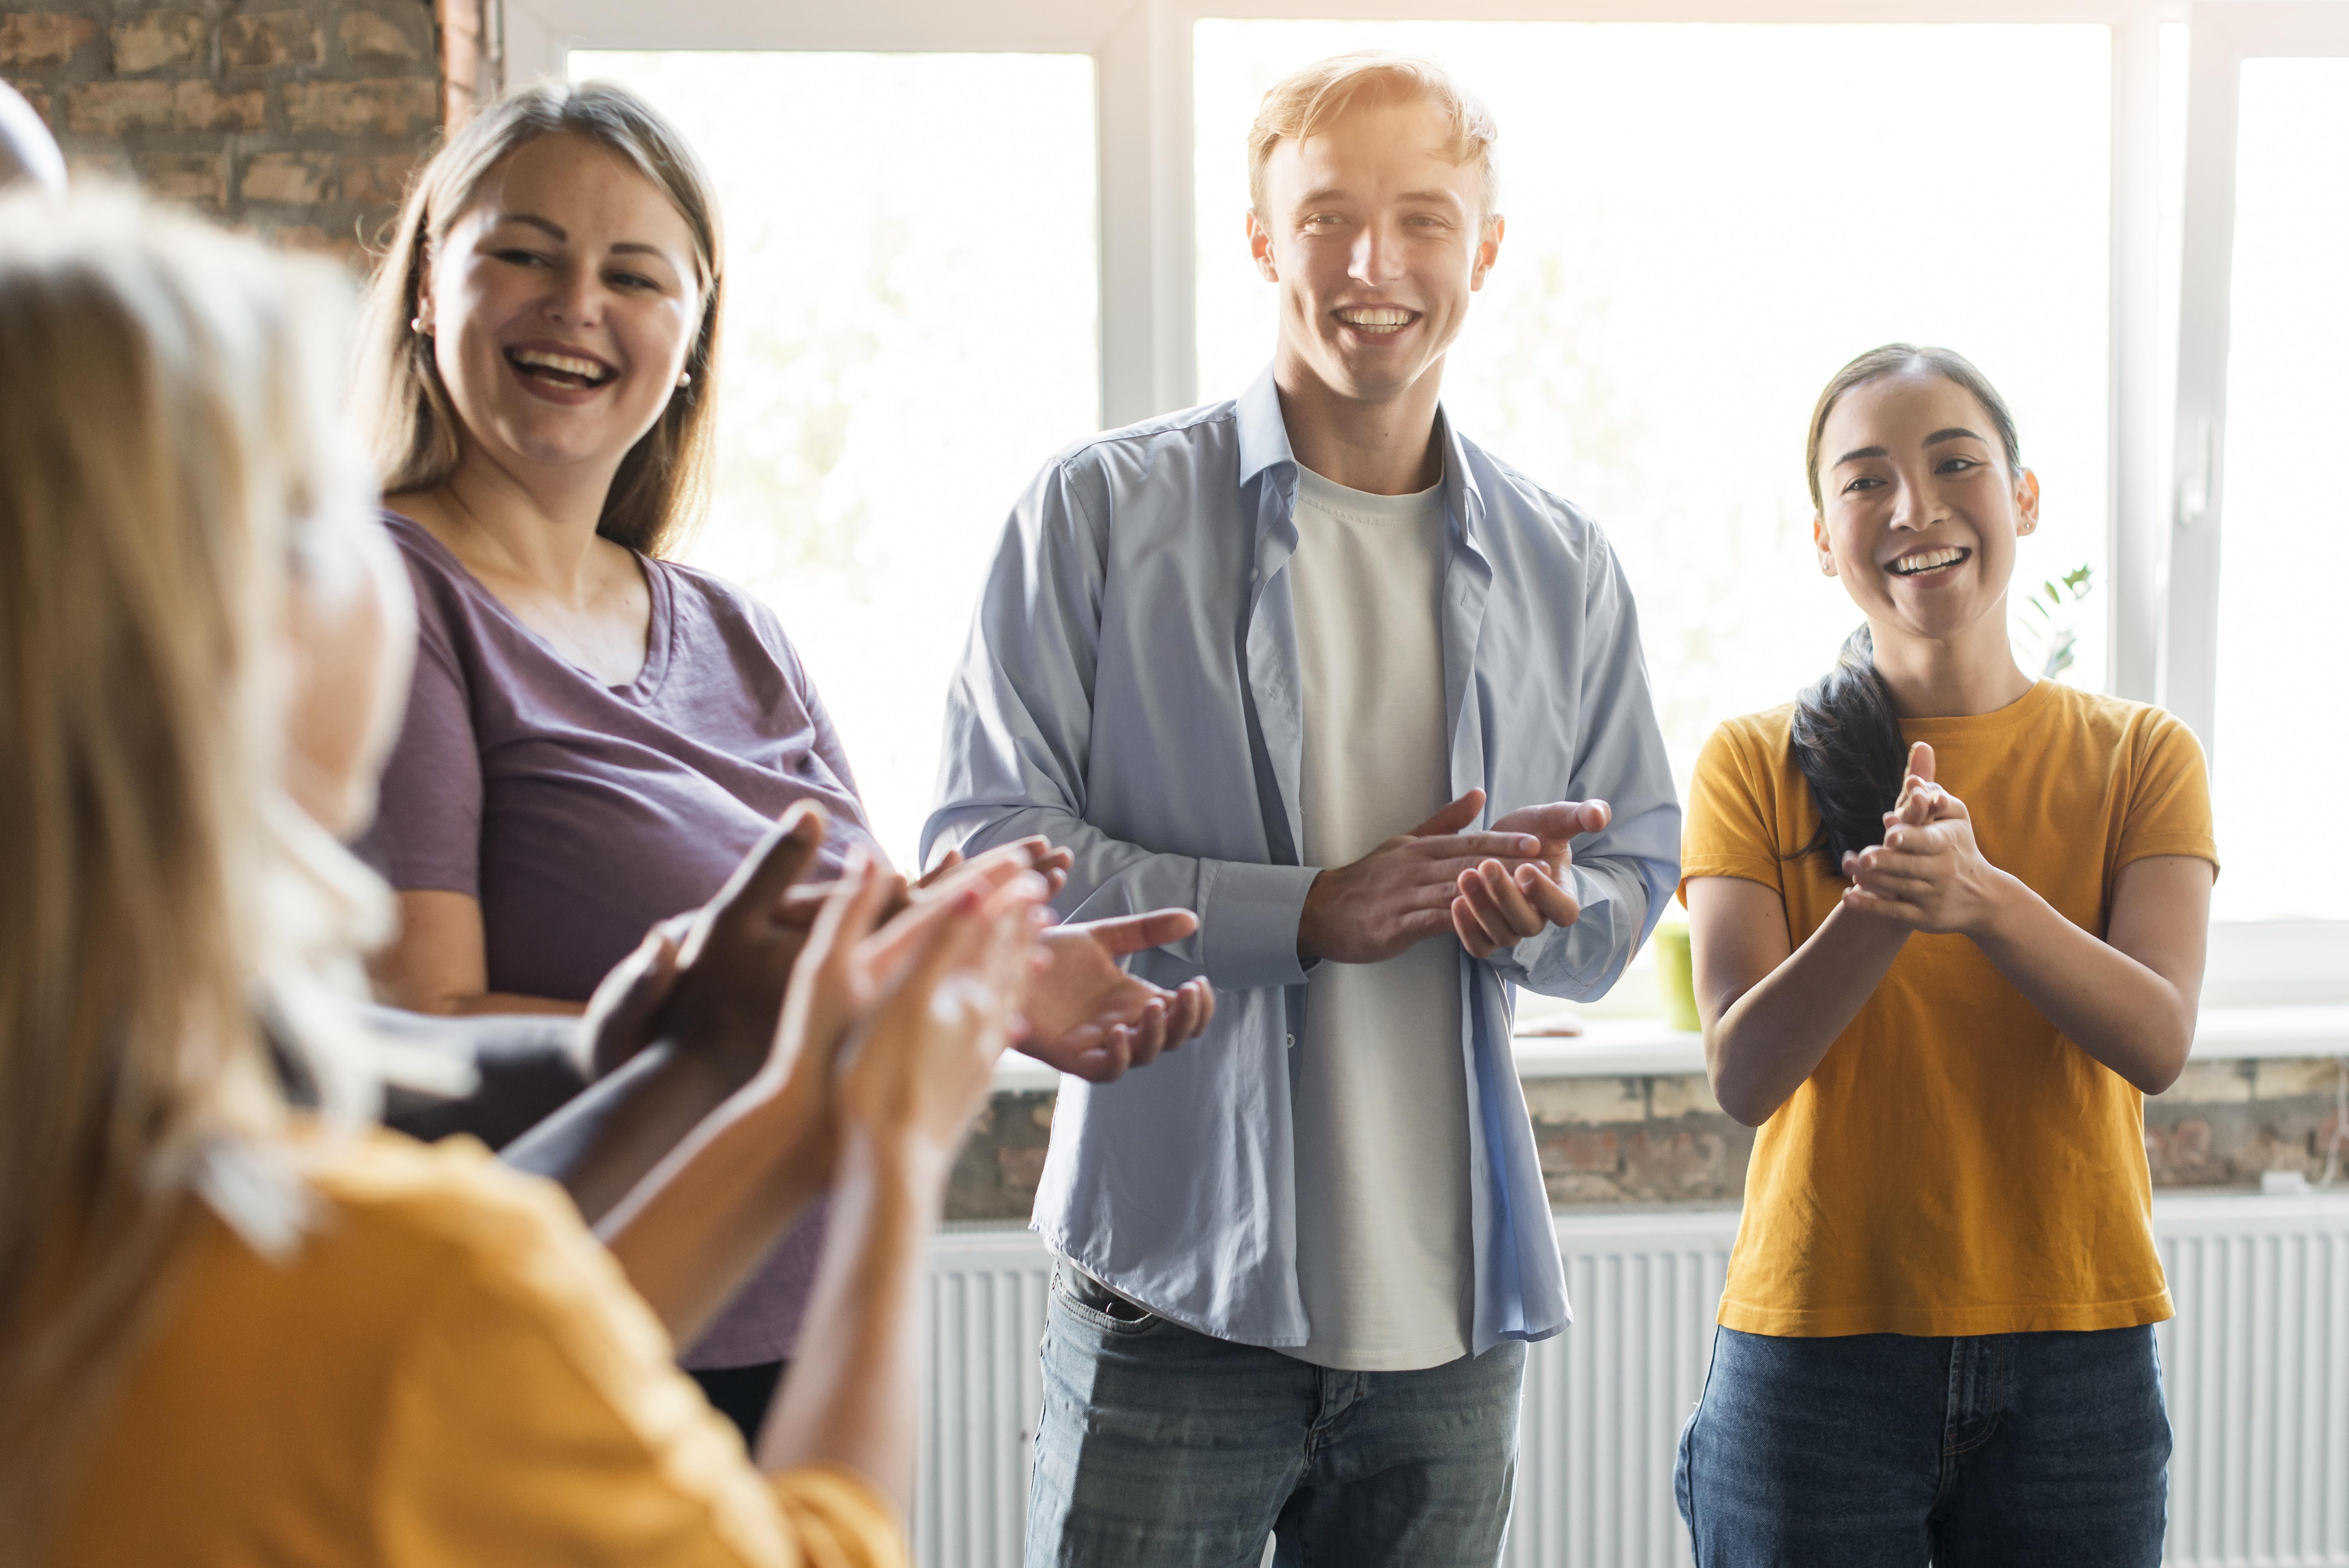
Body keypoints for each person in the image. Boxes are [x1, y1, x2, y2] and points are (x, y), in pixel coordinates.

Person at [0, 192, 1048, 1568]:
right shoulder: (379, 1270)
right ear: (200, 641)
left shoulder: (101, 1204)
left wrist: (768, 1090)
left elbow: (471, 1373)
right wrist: (899, 1151)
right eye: (318, 509)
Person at [348, 80, 1212, 1439]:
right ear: (423, 287)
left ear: (688, 341)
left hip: (788, 1336)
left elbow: (841, 961)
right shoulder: (379, 602)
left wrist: (986, 975)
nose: (576, 303)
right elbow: (406, 1042)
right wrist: (695, 1029)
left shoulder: (738, 633)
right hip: (558, 1342)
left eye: (633, 274)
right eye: (523, 252)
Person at [928, 52, 1680, 1566]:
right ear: (1262, 237)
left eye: (1422, 218)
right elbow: (979, 858)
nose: (1374, 265)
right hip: (1173, 1306)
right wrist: (1305, 912)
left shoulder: (1566, 564)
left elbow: (1633, 876)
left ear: (1484, 249)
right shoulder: (1093, 514)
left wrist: (1551, 917)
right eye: (1327, 216)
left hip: (1449, 1333)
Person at [1674, 344, 2217, 1564]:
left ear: (2021, 500)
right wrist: (1880, 907)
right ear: (1823, 538)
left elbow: (2156, 1040)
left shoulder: (2139, 757)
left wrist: (1983, 900)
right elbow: (1742, 1075)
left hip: (2075, 1351)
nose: (1914, 509)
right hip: (1814, 1351)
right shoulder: (1749, 762)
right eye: (1865, 483)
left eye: (1953, 464)